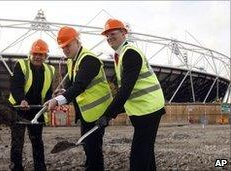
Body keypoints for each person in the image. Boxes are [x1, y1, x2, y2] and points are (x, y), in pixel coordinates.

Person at [96, 19, 166, 171]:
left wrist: (108, 115)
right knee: (146, 151)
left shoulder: (130, 54)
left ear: (123, 33)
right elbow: (128, 89)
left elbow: (126, 89)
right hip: (143, 109)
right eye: (106, 36)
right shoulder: (121, 55)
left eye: (112, 34)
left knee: (138, 156)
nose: (109, 38)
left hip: (149, 109)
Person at [46, 26, 113, 171]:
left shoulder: (89, 59)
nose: (65, 50)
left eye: (68, 45)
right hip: (86, 113)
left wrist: (58, 101)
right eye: (62, 47)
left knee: (93, 149)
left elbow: (80, 86)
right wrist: (63, 92)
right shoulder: (72, 60)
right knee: (88, 146)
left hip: (98, 112)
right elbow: (73, 85)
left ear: (77, 41)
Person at [8, 39, 55, 171]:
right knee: (17, 141)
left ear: (46, 56)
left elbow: (48, 90)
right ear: (30, 54)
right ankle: (16, 167)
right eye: (35, 54)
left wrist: (48, 101)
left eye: (41, 54)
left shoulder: (50, 69)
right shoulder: (21, 65)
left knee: (37, 141)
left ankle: (40, 168)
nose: (37, 57)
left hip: (37, 109)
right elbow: (15, 86)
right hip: (19, 109)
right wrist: (21, 100)